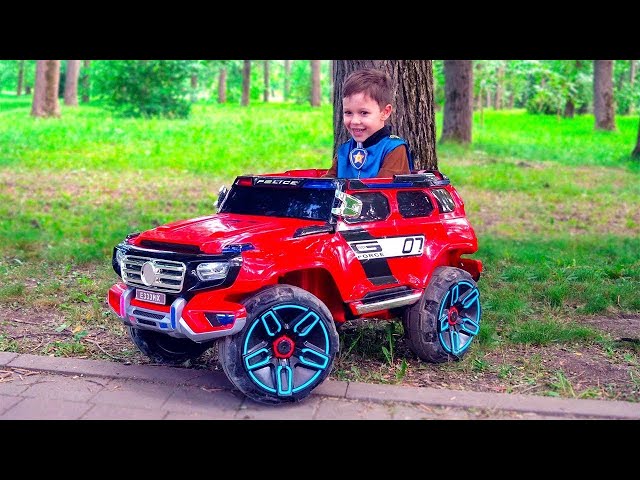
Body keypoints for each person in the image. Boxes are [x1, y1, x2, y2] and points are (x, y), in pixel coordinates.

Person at [323, 68, 413, 179]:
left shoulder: (394, 149)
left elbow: (384, 192)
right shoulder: (344, 150)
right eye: (348, 112)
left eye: (364, 113)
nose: (355, 121)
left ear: (385, 112)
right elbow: (326, 186)